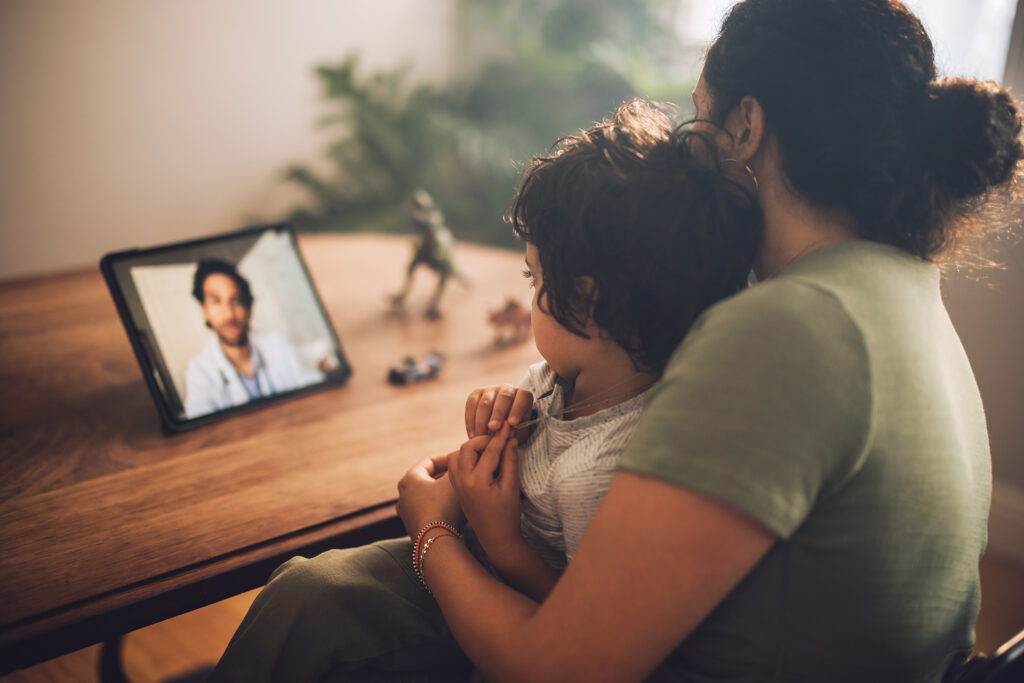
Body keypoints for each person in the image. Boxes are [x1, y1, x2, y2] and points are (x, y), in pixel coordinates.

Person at [393, 1, 1023, 682]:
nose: (682, 157)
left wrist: (431, 534)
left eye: (698, 118)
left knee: (323, 602)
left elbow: (555, 668)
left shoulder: (790, 327)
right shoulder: (907, 289)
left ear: (746, 125)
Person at [208, 100, 761, 681]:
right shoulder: (576, 375)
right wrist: (498, 416)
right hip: (473, 552)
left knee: (309, 602)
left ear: (586, 301)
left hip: (504, 600)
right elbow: (541, 420)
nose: (528, 293)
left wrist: (490, 540)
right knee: (302, 587)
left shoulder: (607, 473)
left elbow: (577, 624)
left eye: (534, 277)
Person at [184, 259, 322, 418]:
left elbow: (309, 385)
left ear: (248, 309)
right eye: (216, 302)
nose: (229, 314)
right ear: (204, 310)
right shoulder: (199, 371)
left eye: (235, 301)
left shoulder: (276, 344)